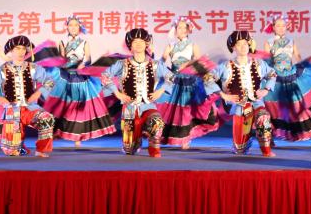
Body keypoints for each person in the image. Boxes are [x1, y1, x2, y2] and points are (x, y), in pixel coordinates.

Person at [42, 17, 116, 146]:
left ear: (79, 27)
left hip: (80, 76)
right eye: (71, 25)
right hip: (65, 76)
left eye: (76, 25)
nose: (73, 27)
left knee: (80, 107)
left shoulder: (84, 42)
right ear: (67, 27)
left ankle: (78, 136)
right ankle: (57, 131)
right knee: (63, 106)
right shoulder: (62, 41)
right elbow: (61, 59)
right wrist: (64, 62)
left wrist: (83, 64)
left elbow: (88, 58)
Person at [101, 28, 169, 158]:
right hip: (129, 108)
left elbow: (170, 77)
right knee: (130, 149)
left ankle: (154, 148)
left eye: (141, 41)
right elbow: (105, 75)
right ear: (130, 45)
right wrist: (117, 93)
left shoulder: (155, 64)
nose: (138, 44)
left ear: (146, 44)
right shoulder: (122, 64)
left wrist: (160, 91)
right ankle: (135, 141)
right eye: (135, 42)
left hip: (148, 105)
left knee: (157, 122)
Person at [208, 30, 277, 157]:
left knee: (263, 117)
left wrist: (266, 89)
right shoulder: (226, 66)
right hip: (239, 106)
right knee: (240, 149)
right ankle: (242, 144)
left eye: (245, 43)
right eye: (239, 44)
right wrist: (223, 95)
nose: (243, 47)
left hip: (256, 102)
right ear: (233, 47)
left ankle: (266, 150)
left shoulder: (258, 63)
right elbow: (208, 78)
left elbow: (272, 74)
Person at [0, 35, 56, 157]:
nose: (21, 52)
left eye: (23, 49)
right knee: (13, 152)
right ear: (11, 51)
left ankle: (40, 150)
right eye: (17, 48)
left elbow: (49, 81)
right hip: (12, 110)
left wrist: (38, 93)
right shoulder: (2, 70)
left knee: (47, 118)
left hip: (30, 108)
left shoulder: (33, 68)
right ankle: (17, 146)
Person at [157, 17, 219, 148]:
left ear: (188, 29)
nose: (182, 30)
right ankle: (166, 136)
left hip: (189, 80)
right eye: (179, 27)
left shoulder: (192, 45)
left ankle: (186, 138)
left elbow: (199, 60)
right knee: (172, 109)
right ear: (175, 29)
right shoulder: (170, 46)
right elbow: (162, 61)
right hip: (175, 79)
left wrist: (186, 64)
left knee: (187, 109)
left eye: (184, 27)